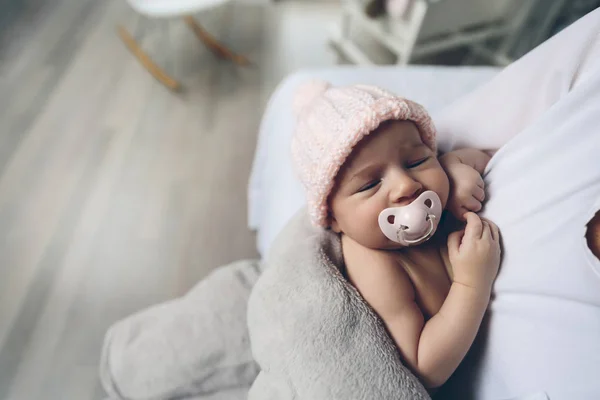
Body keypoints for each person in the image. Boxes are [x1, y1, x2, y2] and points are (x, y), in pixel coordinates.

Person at [290, 81, 501, 389]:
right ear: (333, 218)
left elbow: (491, 156)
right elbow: (425, 366)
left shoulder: (440, 184)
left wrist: (455, 169)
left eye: (416, 161)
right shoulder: (373, 263)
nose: (405, 185)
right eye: (369, 185)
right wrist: (472, 283)